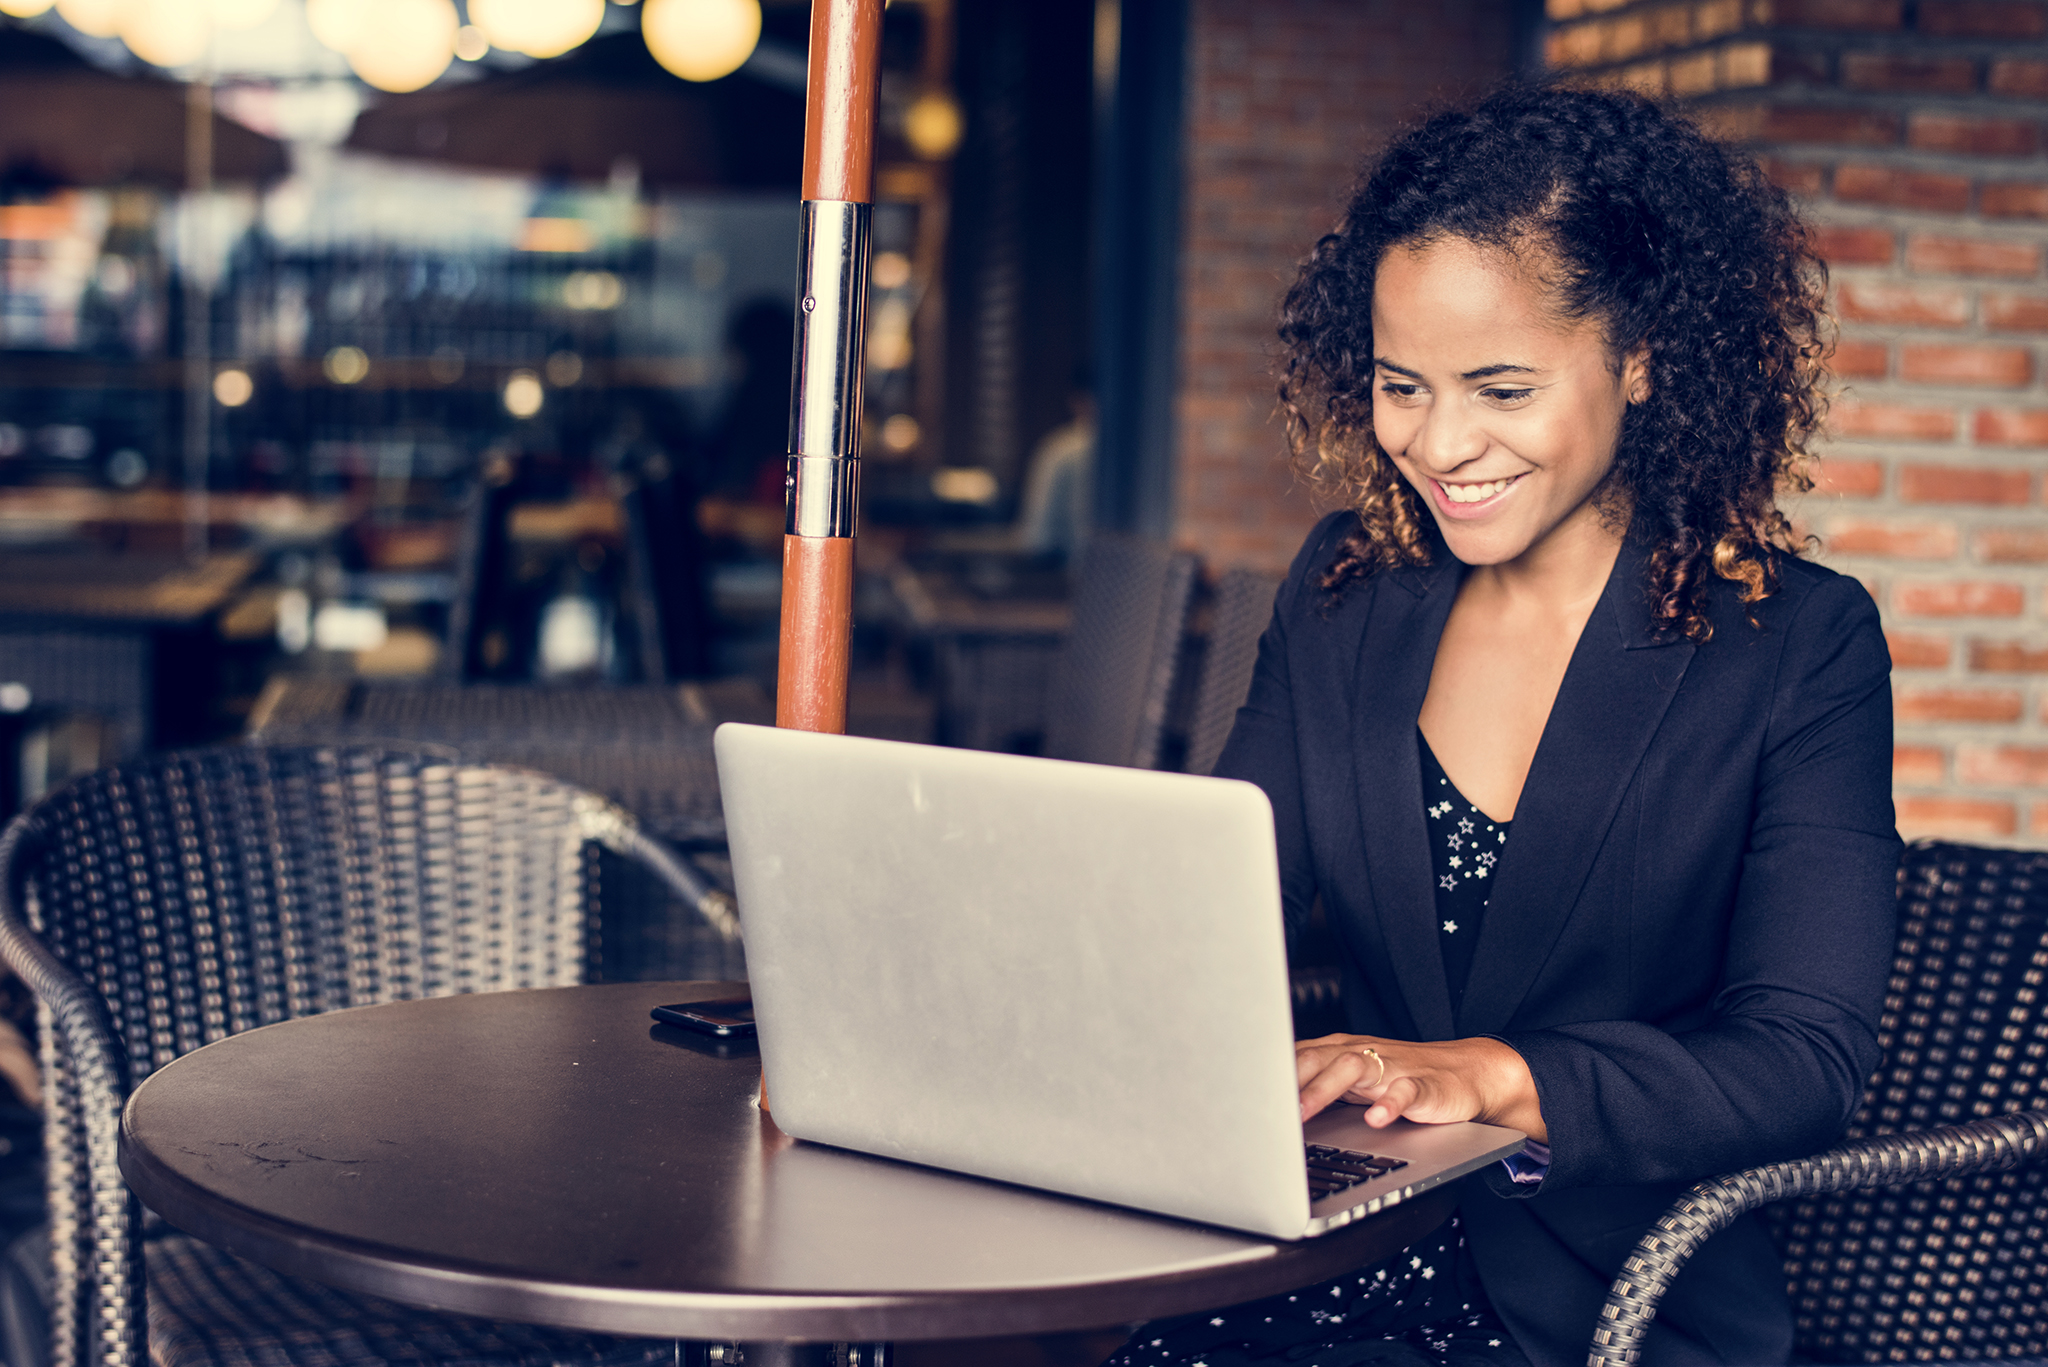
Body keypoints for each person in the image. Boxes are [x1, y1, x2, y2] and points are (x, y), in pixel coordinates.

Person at [1104, 85, 1898, 1367]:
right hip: (1327, 1243)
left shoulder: (1795, 646)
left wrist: (1491, 1074)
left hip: (1604, 1294)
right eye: (1400, 384)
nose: (1441, 441)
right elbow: (1214, 911)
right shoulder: (1345, 592)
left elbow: (1798, 1055)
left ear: (1640, 359)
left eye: (1501, 386)